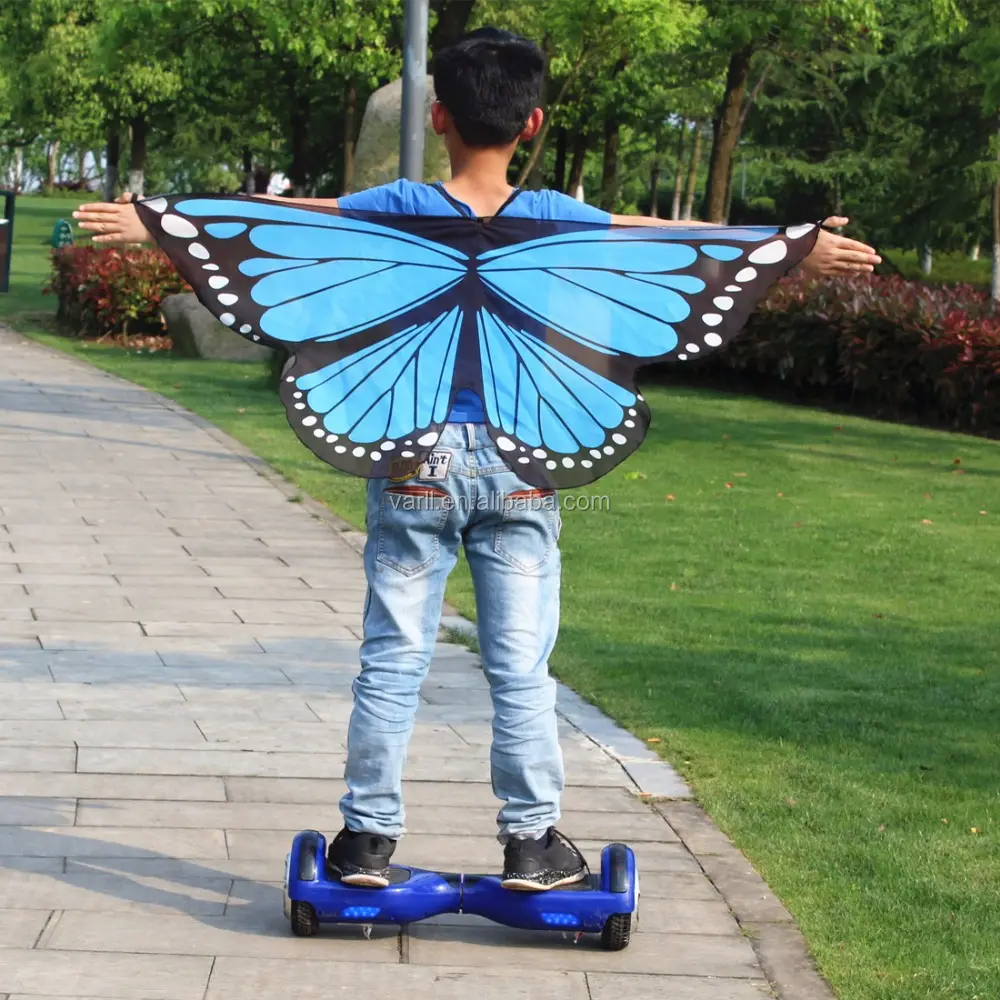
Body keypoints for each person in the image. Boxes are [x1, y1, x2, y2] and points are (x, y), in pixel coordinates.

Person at [74, 27, 881, 891]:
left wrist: (165, 225)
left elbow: (292, 222)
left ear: (437, 116)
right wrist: (790, 247)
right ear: (532, 124)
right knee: (520, 663)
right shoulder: (556, 219)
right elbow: (661, 236)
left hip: (412, 452)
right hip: (521, 461)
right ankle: (532, 842)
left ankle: (365, 842)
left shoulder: (396, 207)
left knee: (393, 655)